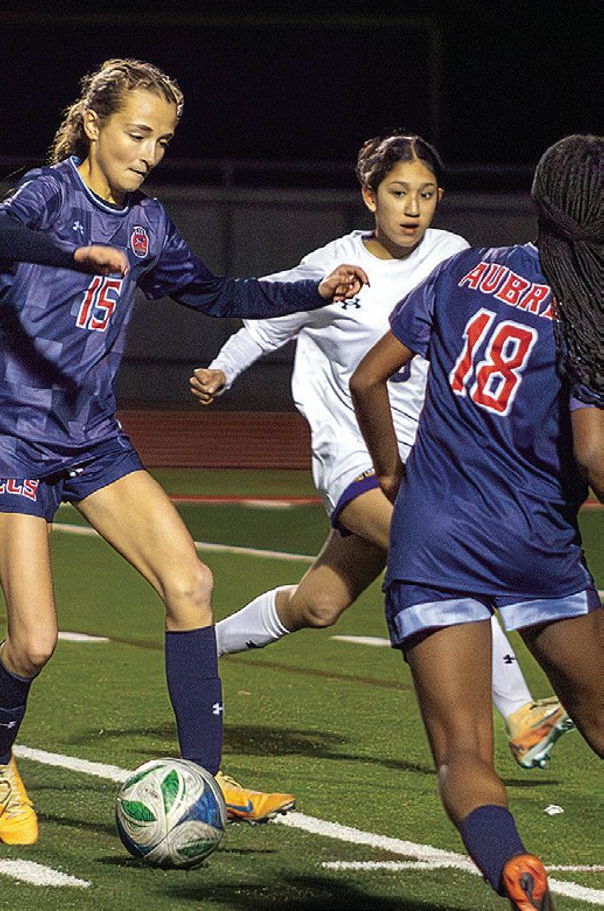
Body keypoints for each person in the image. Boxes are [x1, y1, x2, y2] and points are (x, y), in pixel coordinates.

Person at [0, 57, 368, 845]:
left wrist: (313, 290)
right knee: (34, 640)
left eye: (164, 141)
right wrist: (73, 255)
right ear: (96, 125)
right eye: (137, 134)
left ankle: (204, 779)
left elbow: (219, 293)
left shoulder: (149, 222)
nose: (149, 152)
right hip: (13, 436)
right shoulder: (52, 195)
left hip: (93, 438)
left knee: (191, 582)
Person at [190, 132, 573, 770]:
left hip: (430, 458)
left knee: (318, 604)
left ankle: (198, 644)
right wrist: (221, 371)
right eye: (398, 193)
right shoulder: (332, 265)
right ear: (370, 196)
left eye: (425, 194)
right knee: (438, 550)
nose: (412, 207)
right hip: (352, 450)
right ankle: (522, 714)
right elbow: (266, 322)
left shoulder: (455, 257)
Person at [349, 133, 603, 911]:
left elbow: (369, 377)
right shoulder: (592, 307)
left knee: (462, 751)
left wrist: (392, 473)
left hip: (434, 537)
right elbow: (593, 453)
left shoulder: (467, 268)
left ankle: (514, 868)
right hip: (535, 542)